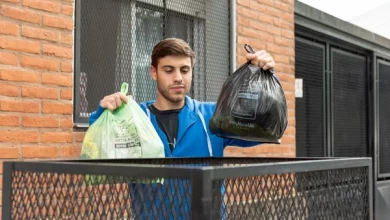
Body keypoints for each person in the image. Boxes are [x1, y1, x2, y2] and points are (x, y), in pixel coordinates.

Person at [88, 38, 278, 219]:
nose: (178, 78)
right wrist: (105, 112)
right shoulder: (136, 119)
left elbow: (268, 127)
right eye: (169, 70)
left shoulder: (213, 116)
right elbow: (100, 146)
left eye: (185, 70)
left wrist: (265, 75)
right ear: (153, 72)